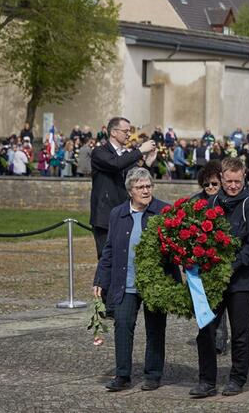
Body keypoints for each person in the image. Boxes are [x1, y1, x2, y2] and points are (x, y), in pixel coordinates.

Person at [93, 168, 178, 392]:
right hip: (125, 282)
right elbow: (109, 249)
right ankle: (122, 375)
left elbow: (176, 248)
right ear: (130, 190)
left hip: (156, 283)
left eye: (148, 186)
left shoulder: (164, 211)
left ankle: (153, 374)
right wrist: (100, 279)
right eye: (140, 187)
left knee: (155, 329)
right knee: (122, 325)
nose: (145, 190)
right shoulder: (117, 213)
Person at [191, 157, 249, 398]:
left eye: (237, 181)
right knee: (206, 330)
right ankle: (206, 381)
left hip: (241, 281)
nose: (233, 186)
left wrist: (229, 266)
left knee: (240, 331)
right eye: (228, 181)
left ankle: (237, 378)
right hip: (213, 280)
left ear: (244, 178)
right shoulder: (210, 203)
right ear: (221, 178)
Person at [90, 117, 156, 259]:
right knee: (107, 259)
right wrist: (139, 151)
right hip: (104, 217)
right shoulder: (99, 152)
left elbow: (136, 179)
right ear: (113, 132)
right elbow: (115, 164)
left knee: (125, 259)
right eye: (126, 131)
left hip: (125, 213)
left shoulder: (126, 155)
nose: (128, 134)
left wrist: (148, 164)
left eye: (129, 131)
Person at [193, 161, 228, 354]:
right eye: (207, 185)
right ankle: (207, 337)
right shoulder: (196, 201)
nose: (211, 188)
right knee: (204, 301)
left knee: (220, 302)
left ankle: (219, 339)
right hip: (202, 260)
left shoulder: (226, 200)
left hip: (221, 259)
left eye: (215, 184)